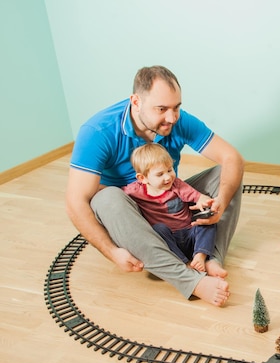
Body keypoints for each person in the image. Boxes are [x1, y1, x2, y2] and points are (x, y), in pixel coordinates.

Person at [66, 65, 244, 307]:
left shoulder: (177, 122)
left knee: (228, 174)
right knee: (106, 197)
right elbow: (75, 202)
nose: (171, 118)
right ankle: (190, 280)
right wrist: (112, 252)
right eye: (161, 109)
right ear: (136, 102)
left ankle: (210, 258)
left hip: (169, 204)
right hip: (130, 220)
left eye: (176, 107)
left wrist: (221, 202)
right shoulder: (98, 131)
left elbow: (231, 157)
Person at [123, 142, 216, 273]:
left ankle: (200, 255)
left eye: (169, 170)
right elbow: (116, 197)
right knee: (157, 228)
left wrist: (204, 201)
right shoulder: (134, 191)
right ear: (143, 178)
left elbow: (198, 197)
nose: (168, 177)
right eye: (160, 174)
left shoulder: (176, 185)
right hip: (168, 241)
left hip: (190, 233)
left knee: (207, 223)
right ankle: (184, 263)